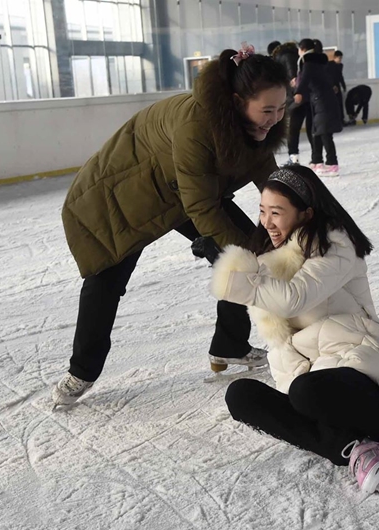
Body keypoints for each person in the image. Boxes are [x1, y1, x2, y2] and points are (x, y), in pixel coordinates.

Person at [211, 166, 379, 495]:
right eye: (262, 211)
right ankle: (355, 449)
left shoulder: (335, 246)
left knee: (308, 393)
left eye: (277, 212)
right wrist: (235, 266)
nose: (267, 222)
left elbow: (294, 298)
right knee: (241, 397)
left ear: (306, 213)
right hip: (306, 383)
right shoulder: (265, 263)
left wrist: (238, 279)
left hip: (359, 367)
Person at [52, 43, 289, 406]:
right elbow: (203, 206)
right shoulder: (197, 125)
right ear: (239, 100)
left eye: (282, 108)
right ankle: (81, 372)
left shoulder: (251, 126)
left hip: (180, 189)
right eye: (268, 110)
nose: (275, 117)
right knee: (106, 280)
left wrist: (304, 217)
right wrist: (249, 252)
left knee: (249, 248)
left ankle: (230, 345)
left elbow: (270, 180)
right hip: (121, 198)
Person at [294, 39, 343, 176]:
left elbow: (304, 80)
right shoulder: (318, 64)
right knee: (317, 131)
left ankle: (332, 164)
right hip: (319, 100)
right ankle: (317, 160)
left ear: (302, 49)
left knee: (325, 133)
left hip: (323, 101)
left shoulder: (308, 64)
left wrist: (298, 92)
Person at [272, 41, 313, 167]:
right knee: (311, 129)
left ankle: (294, 157)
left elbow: (292, 76)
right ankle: (317, 157)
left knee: (293, 130)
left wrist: (295, 92)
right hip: (307, 95)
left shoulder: (284, 57)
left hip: (295, 98)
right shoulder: (296, 55)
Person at [326, 50, 347, 123]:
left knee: (340, 103)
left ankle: (341, 119)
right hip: (331, 86)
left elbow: (340, 76)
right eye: (339, 58)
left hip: (337, 85)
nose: (340, 60)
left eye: (341, 58)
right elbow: (328, 76)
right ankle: (333, 119)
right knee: (332, 103)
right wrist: (332, 85)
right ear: (335, 57)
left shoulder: (340, 65)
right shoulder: (329, 64)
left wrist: (343, 86)